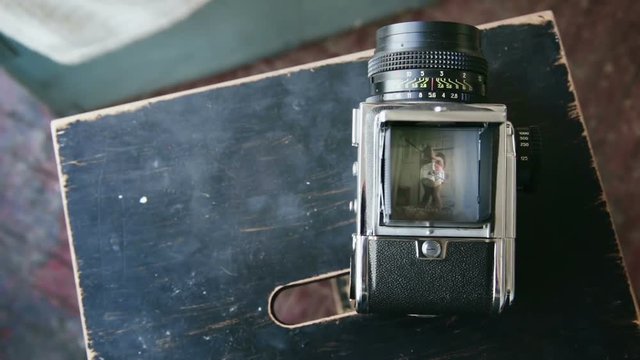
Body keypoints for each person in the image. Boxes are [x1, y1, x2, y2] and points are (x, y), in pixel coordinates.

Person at [420, 146, 446, 210]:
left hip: (438, 178)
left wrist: (429, 151)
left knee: (436, 194)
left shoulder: (440, 159)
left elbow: (432, 157)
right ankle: (434, 207)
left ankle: (439, 208)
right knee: (434, 194)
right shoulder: (437, 162)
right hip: (436, 178)